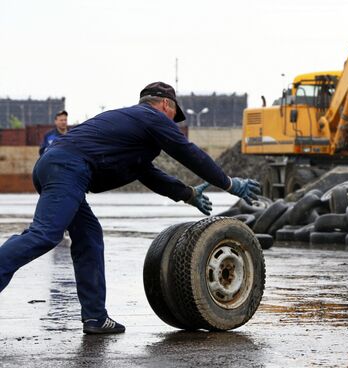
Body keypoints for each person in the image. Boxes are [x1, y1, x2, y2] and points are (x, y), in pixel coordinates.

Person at [0, 82, 261, 335]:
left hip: (57, 166)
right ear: (165, 104)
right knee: (44, 235)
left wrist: (188, 194)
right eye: (173, 116)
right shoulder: (150, 117)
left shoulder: (132, 131)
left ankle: (95, 318)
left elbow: (147, 173)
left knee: (89, 238)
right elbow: (187, 152)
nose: (174, 122)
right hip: (67, 168)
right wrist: (228, 183)